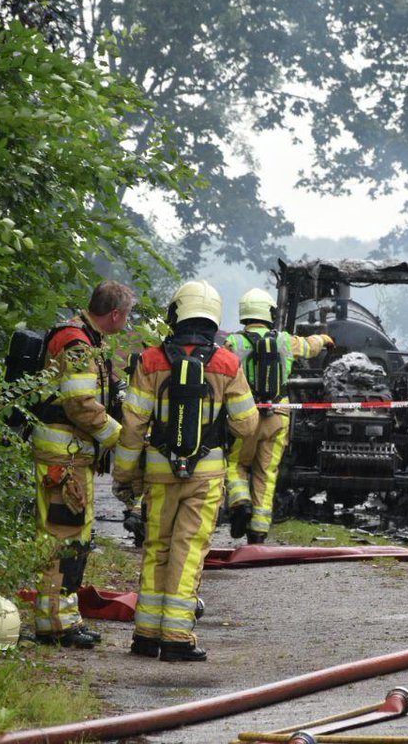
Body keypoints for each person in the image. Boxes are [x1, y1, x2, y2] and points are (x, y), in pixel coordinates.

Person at [115, 280, 259, 662]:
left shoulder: (150, 361)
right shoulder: (227, 363)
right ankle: (177, 637)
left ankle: (146, 634)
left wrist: (124, 476)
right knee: (189, 549)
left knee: (157, 547)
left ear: (176, 313)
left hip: (159, 475)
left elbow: (132, 427)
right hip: (204, 477)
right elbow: (247, 424)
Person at [31, 280, 135, 648]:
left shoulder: (87, 340)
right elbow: (80, 405)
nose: (128, 322)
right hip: (64, 458)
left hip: (72, 458)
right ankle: (54, 624)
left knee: (75, 537)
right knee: (63, 538)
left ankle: (64, 619)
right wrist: (118, 437)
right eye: (128, 316)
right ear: (115, 314)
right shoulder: (77, 344)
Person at [224, 288, 333, 544]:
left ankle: (240, 502)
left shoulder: (234, 343)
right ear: (269, 313)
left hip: (245, 416)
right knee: (266, 472)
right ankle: (258, 531)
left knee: (235, 464)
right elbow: (309, 347)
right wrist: (325, 338)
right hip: (278, 416)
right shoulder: (284, 341)